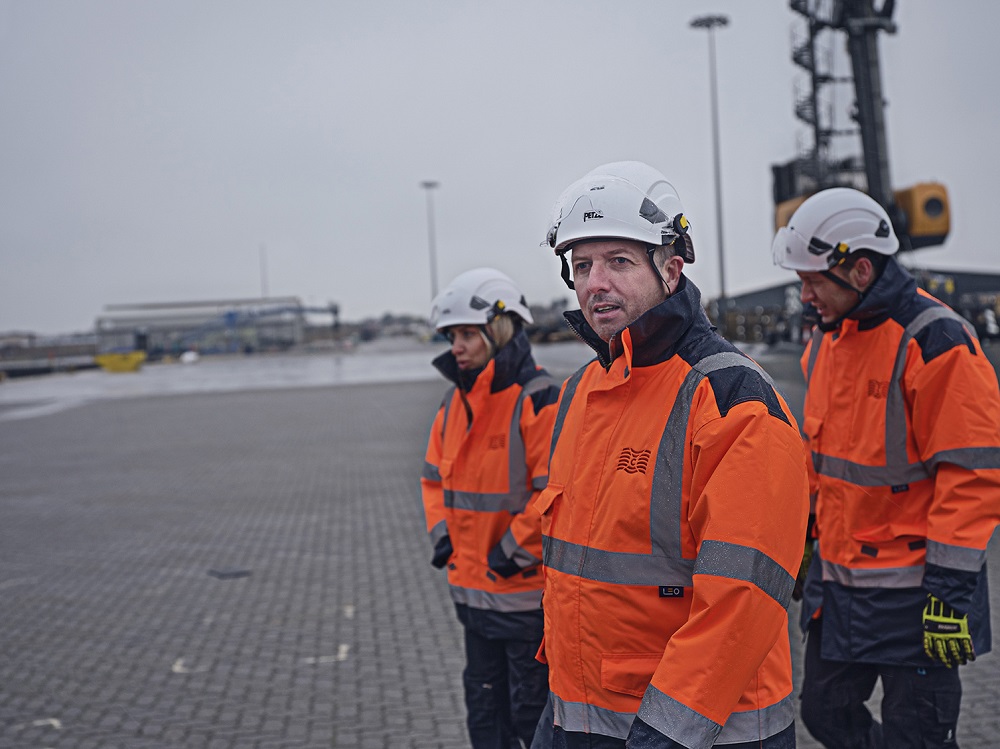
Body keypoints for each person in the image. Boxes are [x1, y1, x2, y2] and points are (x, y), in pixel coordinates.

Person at [531, 161, 810, 749]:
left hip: (703, 731)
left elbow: (741, 598)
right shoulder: (582, 391)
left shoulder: (733, 398)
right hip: (590, 717)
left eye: (619, 261)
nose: (595, 283)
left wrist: (667, 731)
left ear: (671, 268)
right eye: (581, 265)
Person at [772, 187, 1000, 748]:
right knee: (824, 714)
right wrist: (802, 534)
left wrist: (949, 593)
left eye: (812, 280)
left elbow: (971, 478)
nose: (804, 296)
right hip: (843, 584)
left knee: (916, 735)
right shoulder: (824, 343)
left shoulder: (937, 342)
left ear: (860, 269)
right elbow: (822, 459)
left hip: (918, 595)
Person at [421, 267, 561, 749]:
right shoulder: (452, 404)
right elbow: (433, 479)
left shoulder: (537, 399)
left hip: (524, 601)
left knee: (533, 720)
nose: (455, 346)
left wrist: (507, 553)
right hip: (472, 600)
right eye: (450, 336)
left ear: (498, 330)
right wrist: (444, 537)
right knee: (485, 721)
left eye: (465, 334)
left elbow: (554, 494)